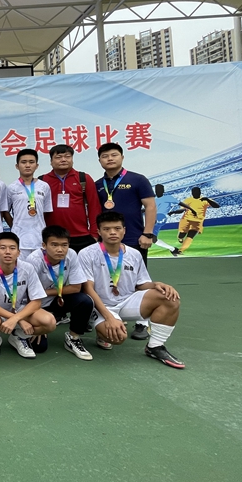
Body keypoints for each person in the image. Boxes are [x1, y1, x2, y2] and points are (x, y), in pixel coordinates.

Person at [79, 212, 185, 369]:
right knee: (117, 337)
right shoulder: (87, 253)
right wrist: (109, 317)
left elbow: (141, 284)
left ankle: (155, 346)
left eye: (117, 228)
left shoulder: (134, 254)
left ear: (124, 230)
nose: (112, 232)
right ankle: (101, 332)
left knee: (169, 298)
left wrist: (157, 284)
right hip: (100, 306)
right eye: (107, 229)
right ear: (99, 232)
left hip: (127, 301)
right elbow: (88, 289)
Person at [95, 142, 156, 341]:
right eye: (105, 156)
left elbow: (150, 206)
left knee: (139, 280)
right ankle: (112, 314)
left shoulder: (138, 179)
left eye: (114, 155)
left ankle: (142, 322)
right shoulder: (98, 184)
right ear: (100, 160)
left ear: (122, 157)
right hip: (107, 240)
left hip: (134, 237)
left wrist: (147, 233)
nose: (110, 159)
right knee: (108, 278)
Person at [21, 225, 96, 360]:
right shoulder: (34, 260)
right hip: (34, 303)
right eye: (54, 245)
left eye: (64, 245)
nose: (60, 249)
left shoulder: (71, 255)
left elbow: (76, 287)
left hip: (55, 298)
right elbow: (27, 293)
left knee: (85, 301)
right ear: (44, 245)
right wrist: (40, 325)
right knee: (39, 347)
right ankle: (23, 329)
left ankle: (73, 338)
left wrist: (45, 292)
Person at [0, 231, 55, 359]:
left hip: (20, 310)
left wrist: (16, 318)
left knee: (49, 321)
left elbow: (36, 301)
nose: (8, 252)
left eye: (12, 248)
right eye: (3, 248)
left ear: (19, 252)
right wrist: (18, 320)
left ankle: (19, 336)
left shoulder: (27, 268)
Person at [42, 144, 101, 253]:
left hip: (81, 235)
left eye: (67, 156)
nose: (63, 160)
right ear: (51, 161)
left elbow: (94, 207)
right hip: (52, 236)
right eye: (58, 157)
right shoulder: (42, 181)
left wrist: (94, 234)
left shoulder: (83, 178)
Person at [6, 149, 52, 257]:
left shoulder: (44, 186)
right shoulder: (11, 188)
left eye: (31, 162)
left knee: (39, 267)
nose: (27, 165)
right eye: (23, 162)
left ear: (36, 166)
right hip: (19, 239)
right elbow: (5, 212)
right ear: (17, 166)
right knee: (20, 267)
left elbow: (46, 211)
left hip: (39, 239)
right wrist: (15, 225)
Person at [174, 186, 221, 255]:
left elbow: (217, 206)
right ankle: (180, 238)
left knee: (190, 236)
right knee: (182, 234)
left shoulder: (205, 200)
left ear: (200, 192)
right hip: (186, 220)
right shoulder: (188, 200)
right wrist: (175, 212)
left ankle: (181, 250)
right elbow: (182, 209)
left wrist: (208, 200)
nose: (195, 193)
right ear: (192, 193)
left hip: (197, 222)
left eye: (197, 192)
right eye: (194, 192)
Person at [151, 184, 183, 256]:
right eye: (156, 189)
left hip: (158, 218)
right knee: (154, 239)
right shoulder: (154, 200)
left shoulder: (166, 198)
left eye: (158, 189)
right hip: (155, 218)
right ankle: (173, 249)